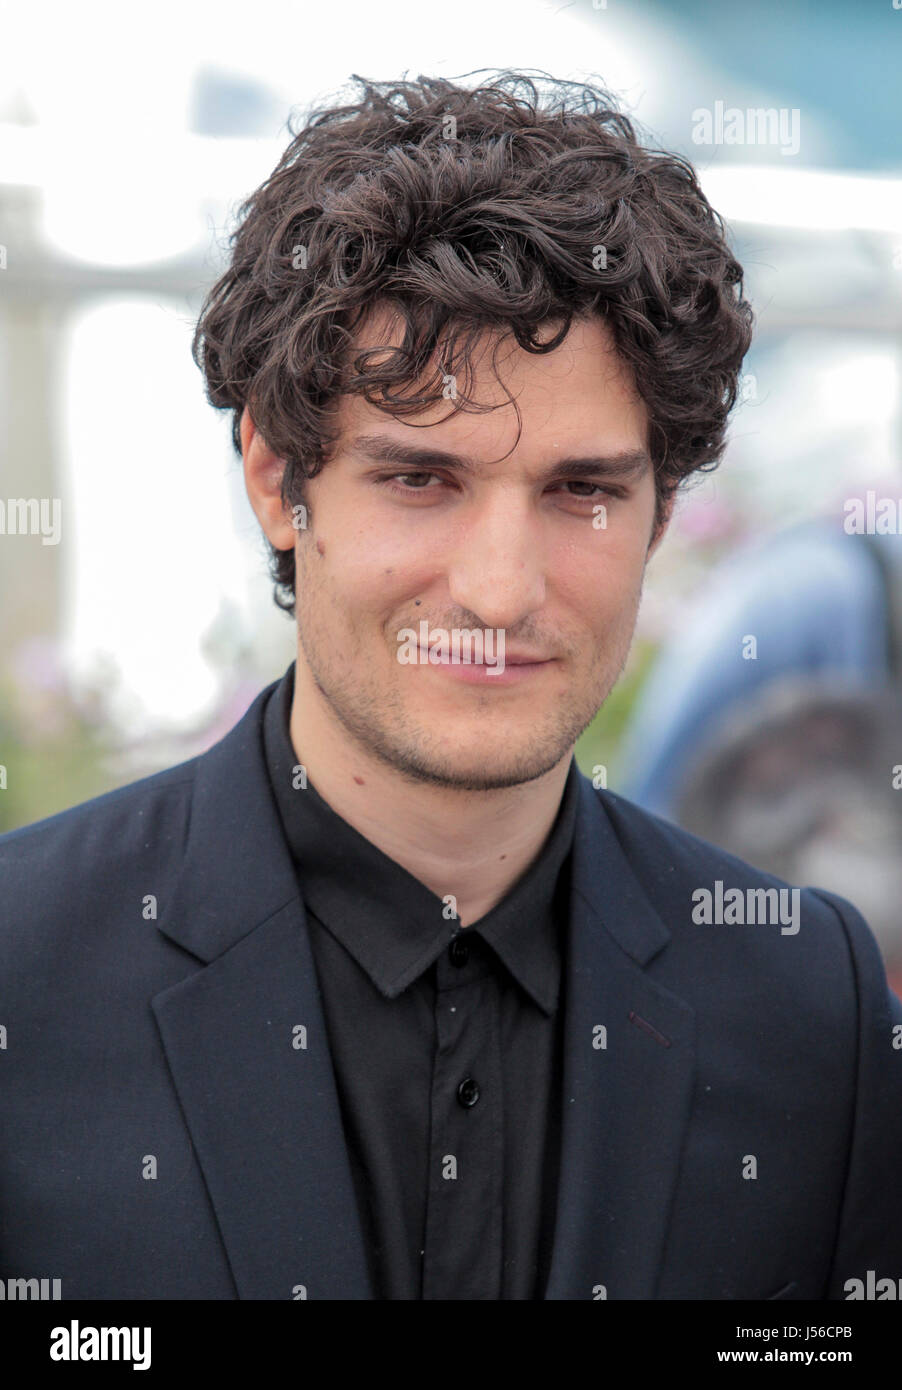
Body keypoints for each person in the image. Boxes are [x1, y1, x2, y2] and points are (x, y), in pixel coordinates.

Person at [1, 70, 900, 1301]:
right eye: (420, 480)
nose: (496, 587)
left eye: (579, 490)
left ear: (660, 515)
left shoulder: (808, 999)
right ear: (277, 481)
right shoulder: (21, 967)